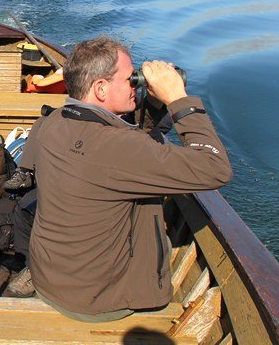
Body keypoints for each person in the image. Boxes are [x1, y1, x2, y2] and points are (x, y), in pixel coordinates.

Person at [25, 36, 232, 322]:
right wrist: (177, 100)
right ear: (100, 88)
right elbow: (215, 167)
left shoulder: (50, 123)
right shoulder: (117, 148)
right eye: (130, 80)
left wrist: (155, 105)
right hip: (101, 301)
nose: (136, 85)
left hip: (51, 281)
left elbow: (125, 142)